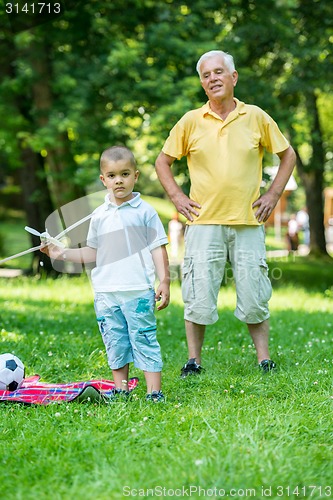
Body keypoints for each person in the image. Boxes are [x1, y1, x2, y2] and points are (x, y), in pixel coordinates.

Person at [155, 50, 296, 376]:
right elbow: (163, 162)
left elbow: (287, 155)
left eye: (219, 72)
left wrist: (274, 193)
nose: (213, 78)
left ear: (233, 77)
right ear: (202, 83)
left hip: (248, 221)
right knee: (198, 294)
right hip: (203, 222)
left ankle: (264, 359)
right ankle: (194, 361)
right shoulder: (190, 121)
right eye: (206, 75)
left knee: (254, 293)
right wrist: (176, 196)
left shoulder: (256, 116)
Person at [42, 146, 170, 402]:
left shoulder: (145, 212)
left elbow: (158, 247)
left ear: (135, 176)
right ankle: (120, 390)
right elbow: (92, 252)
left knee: (143, 339)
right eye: (112, 176)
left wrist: (164, 279)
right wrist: (61, 254)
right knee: (115, 342)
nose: (119, 180)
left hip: (137, 291)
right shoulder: (99, 215)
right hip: (105, 293)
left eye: (124, 174)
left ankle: (154, 393)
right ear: (104, 180)